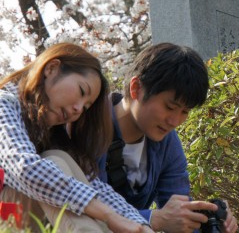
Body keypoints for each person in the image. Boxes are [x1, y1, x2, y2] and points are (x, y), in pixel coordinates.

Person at [0, 42, 153, 233]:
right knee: (55, 162)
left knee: (61, 159)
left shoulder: (54, 135)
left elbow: (97, 189)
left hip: (25, 217)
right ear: (52, 68)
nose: (78, 109)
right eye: (81, 91)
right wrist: (108, 216)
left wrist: (142, 226)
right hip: (6, 218)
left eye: (86, 107)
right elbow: (26, 170)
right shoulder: (3, 104)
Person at [99, 43, 238, 233]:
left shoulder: (166, 141)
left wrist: (210, 220)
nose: (175, 121)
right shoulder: (89, 128)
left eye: (185, 112)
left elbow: (177, 208)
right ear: (136, 88)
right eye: (170, 107)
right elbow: (79, 204)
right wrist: (151, 219)